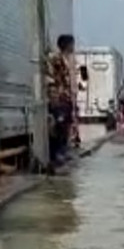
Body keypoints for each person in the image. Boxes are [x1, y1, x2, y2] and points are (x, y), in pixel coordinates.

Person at [46, 34, 76, 165]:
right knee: (59, 127)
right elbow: (52, 78)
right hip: (58, 98)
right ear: (67, 45)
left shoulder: (67, 59)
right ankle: (56, 153)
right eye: (72, 44)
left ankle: (63, 151)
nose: (73, 47)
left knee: (66, 126)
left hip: (66, 98)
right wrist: (54, 97)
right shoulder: (56, 58)